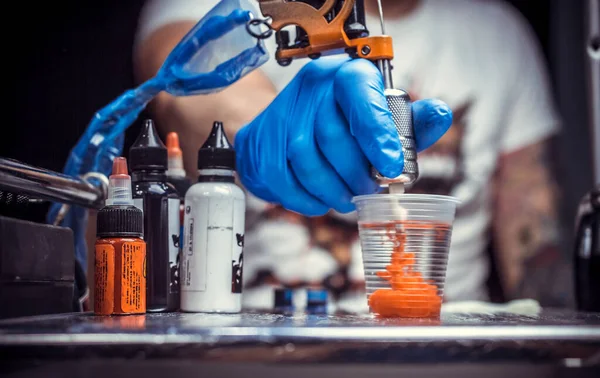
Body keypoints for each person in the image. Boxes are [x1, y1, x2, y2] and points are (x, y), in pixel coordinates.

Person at [133, 0, 572, 310]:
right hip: (260, 347)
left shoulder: (496, 33)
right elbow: (179, 92)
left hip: (441, 349)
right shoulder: (244, 8)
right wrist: (257, 130)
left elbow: (533, 236)